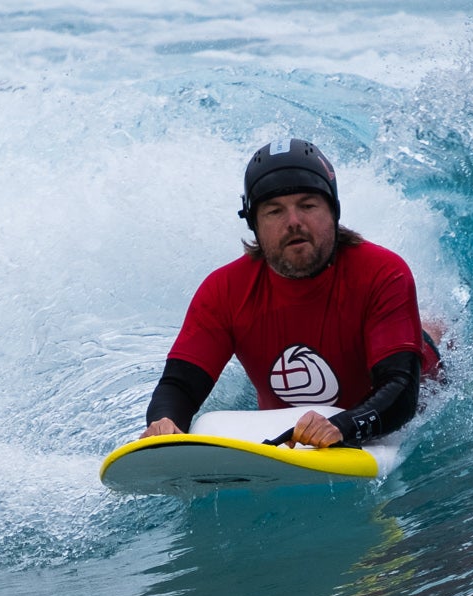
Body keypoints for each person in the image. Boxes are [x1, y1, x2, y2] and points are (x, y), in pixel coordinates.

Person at [142, 138, 442, 451]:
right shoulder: (224, 291)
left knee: (430, 338)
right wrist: (166, 422)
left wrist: (342, 426)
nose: (294, 222)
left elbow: (401, 390)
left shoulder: (382, 272)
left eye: (308, 205)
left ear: (334, 211)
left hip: (411, 388)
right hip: (303, 418)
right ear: (254, 225)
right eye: (274, 211)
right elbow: (180, 385)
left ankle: (431, 331)